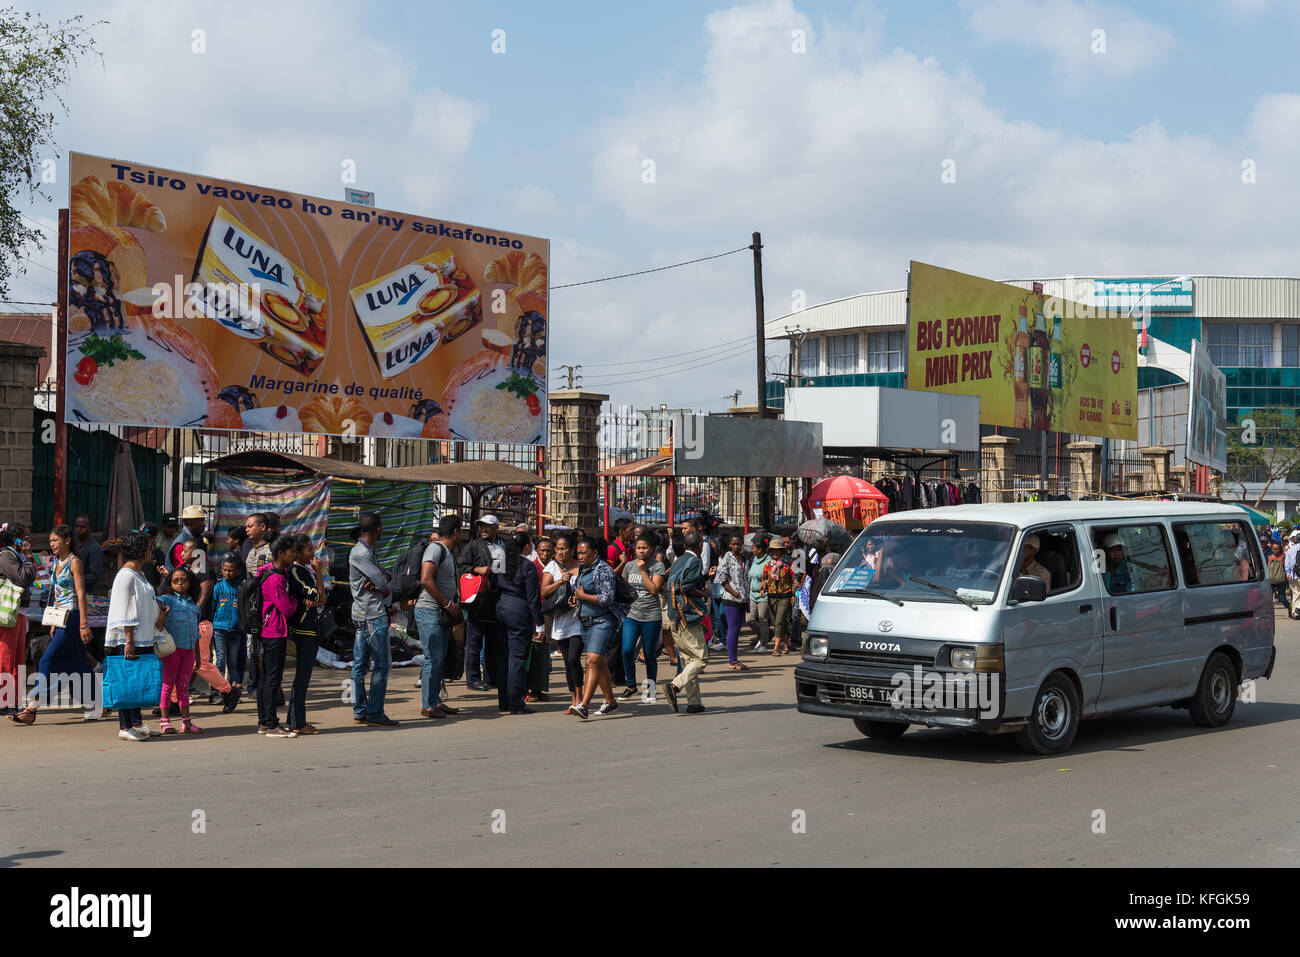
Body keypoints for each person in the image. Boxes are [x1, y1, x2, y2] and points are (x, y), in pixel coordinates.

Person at [9, 525, 94, 724]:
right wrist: (53, 621)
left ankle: (32, 708)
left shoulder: (75, 563)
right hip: (60, 618)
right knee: (79, 662)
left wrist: (83, 624)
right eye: (50, 541)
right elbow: (56, 593)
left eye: (55, 540)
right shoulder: (56, 561)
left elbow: (81, 594)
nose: (52, 544)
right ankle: (98, 703)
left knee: (47, 661)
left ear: (67, 541)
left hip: (73, 617)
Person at [103, 530, 169, 741]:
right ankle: (125, 726)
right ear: (140, 551)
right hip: (130, 638)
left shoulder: (139, 574)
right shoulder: (125, 575)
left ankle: (137, 722)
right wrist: (129, 640)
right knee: (127, 681)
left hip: (144, 635)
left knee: (137, 680)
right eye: (149, 547)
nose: (152, 551)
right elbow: (125, 609)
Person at [349, 512, 397, 727]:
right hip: (372, 614)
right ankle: (374, 712)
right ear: (379, 529)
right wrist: (382, 578)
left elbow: (381, 577)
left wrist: (382, 577)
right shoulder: (361, 553)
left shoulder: (366, 551)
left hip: (363, 613)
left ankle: (361, 710)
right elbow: (380, 580)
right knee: (382, 664)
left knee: (360, 665)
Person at [414, 516, 462, 720]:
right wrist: (447, 603)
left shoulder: (448, 552)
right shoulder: (436, 549)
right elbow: (426, 580)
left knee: (439, 658)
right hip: (430, 610)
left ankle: (435, 701)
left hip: (440, 613)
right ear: (457, 532)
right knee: (432, 659)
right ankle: (428, 705)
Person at [571, 536, 624, 719]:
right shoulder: (583, 568)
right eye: (578, 553)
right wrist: (577, 599)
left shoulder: (603, 570)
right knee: (599, 663)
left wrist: (583, 596)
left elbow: (607, 598)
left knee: (591, 661)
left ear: (595, 553)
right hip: (586, 622)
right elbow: (582, 592)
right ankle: (610, 701)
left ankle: (583, 706)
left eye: (584, 553)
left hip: (603, 621)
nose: (580, 556)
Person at [493, 530, 543, 714]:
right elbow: (532, 599)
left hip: (501, 609)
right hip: (519, 612)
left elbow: (494, 586)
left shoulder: (500, 562)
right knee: (517, 659)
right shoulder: (527, 566)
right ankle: (516, 702)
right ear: (526, 546)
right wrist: (540, 623)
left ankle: (504, 701)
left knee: (503, 657)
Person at [257, 536, 300, 737]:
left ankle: (265, 722)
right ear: (281, 553)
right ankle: (272, 724)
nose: (295, 556)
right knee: (272, 679)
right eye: (292, 552)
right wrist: (296, 601)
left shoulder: (269, 573)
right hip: (274, 630)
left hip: (269, 630)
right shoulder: (276, 578)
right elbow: (286, 608)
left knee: (266, 678)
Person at [663, 530, 709, 714]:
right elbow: (687, 586)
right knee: (700, 659)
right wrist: (703, 593)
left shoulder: (678, 560)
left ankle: (694, 702)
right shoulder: (695, 561)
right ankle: (675, 685)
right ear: (699, 546)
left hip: (675, 614)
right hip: (687, 615)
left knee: (689, 659)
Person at [458, 515, 505, 692]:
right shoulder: (473, 545)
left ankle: (491, 677)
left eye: (487, 526)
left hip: (498, 600)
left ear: (496, 528)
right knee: (474, 642)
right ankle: (473, 679)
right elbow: (461, 566)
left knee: (494, 642)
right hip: (478, 602)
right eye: (481, 526)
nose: (483, 529)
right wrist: (477, 569)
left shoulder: (504, 545)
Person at [155, 567, 203, 734]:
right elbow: (155, 601)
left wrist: (197, 653)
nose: (180, 583)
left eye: (183, 580)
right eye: (176, 580)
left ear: (189, 583)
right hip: (172, 651)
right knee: (168, 685)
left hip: (189, 650)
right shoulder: (167, 600)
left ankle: (186, 722)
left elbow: (196, 631)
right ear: (170, 583)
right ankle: (164, 721)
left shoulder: (193, 605)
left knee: (184, 686)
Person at [286, 534, 325, 735]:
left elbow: (322, 598)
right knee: (302, 676)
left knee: (304, 676)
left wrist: (318, 596)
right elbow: (317, 595)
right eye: (309, 550)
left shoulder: (304, 570)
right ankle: (298, 722)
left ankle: (294, 719)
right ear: (298, 553)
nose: (313, 553)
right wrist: (319, 573)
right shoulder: (296, 571)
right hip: (303, 628)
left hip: (310, 626)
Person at [619, 534, 666, 698]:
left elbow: (654, 590)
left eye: (644, 548)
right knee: (626, 650)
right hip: (631, 615)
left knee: (649, 654)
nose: (641, 551)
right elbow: (623, 586)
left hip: (651, 617)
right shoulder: (629, 566)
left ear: (651, 549)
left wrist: (643, 572)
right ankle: (631, 685)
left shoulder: (658, 566)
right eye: (638, 548)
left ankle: (650, 689)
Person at [543, 532, 584, 714]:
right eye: (557, 548)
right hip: (560, 619)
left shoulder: (582, 567)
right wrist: (561, 580)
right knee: (567, 661)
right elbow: (544, 591)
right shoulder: (552, 566)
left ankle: (581, 698)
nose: (559, 552)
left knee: (574, 658)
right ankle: (573, 699)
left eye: (563, 548)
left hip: (578, 620)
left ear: (573, 549)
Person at [211, 554, 245, 711]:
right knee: (219, 661)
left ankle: (228, 692)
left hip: (236, 630)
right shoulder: (218, 587)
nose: (227, 573)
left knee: (232, 663)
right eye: (225, 570)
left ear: (238, 571)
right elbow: (212, 607)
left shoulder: (241, 587)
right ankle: (216, 691)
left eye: (231, 570)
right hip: (219, 629)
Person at [527, 536, 556, 702]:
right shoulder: (532, 567)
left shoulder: (554, 567)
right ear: (536, 551)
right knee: (534, 653)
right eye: (542, 550)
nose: (545, 553)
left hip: (550, 613)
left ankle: (538, 689)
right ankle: (528, 689)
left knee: (544, 655)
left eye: (548, 550)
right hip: (535, 614)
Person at [716, 533, 749, 670]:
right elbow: (722, 578)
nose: (737, 546)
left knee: (737, 629)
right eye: (734, 544)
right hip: (731, 599)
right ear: (730, 545)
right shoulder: (727, 558)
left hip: (743, 599)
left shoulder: (744, 558)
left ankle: (735, 659)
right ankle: (732, 661)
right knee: (733, 630)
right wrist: (733, 592)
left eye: (739, 543)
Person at [760, 538, 796, 656]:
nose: (775, 553)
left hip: (784, 596)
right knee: (777, 623)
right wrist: (763, 587)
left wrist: (793, 594)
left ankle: (776, 648)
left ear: (782, 552)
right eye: (773, 551)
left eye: (777, 550)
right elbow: (764, 579)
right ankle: (787, 643)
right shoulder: (767, 566)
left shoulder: (788, 564)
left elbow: (793, 580)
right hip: (771, 596)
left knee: (779, 621)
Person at [746, 535, 771, 652]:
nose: (752, 550)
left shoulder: (769, 561)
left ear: (760, 549)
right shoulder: (754, 560)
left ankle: (764, 643)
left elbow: (770, 577)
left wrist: (765, 584)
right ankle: (765, 635)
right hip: (753, 594)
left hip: (764, 595)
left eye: (754, 548)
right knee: (749, 619)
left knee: (762, 619)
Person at [72, 514, 104, 592]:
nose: (79, 529)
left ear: (90, 528)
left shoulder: (95, 548)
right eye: (76, 526)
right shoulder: (71, 544)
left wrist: (73, 579)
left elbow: (95, 576)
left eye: (82, 527)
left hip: (84, 591)